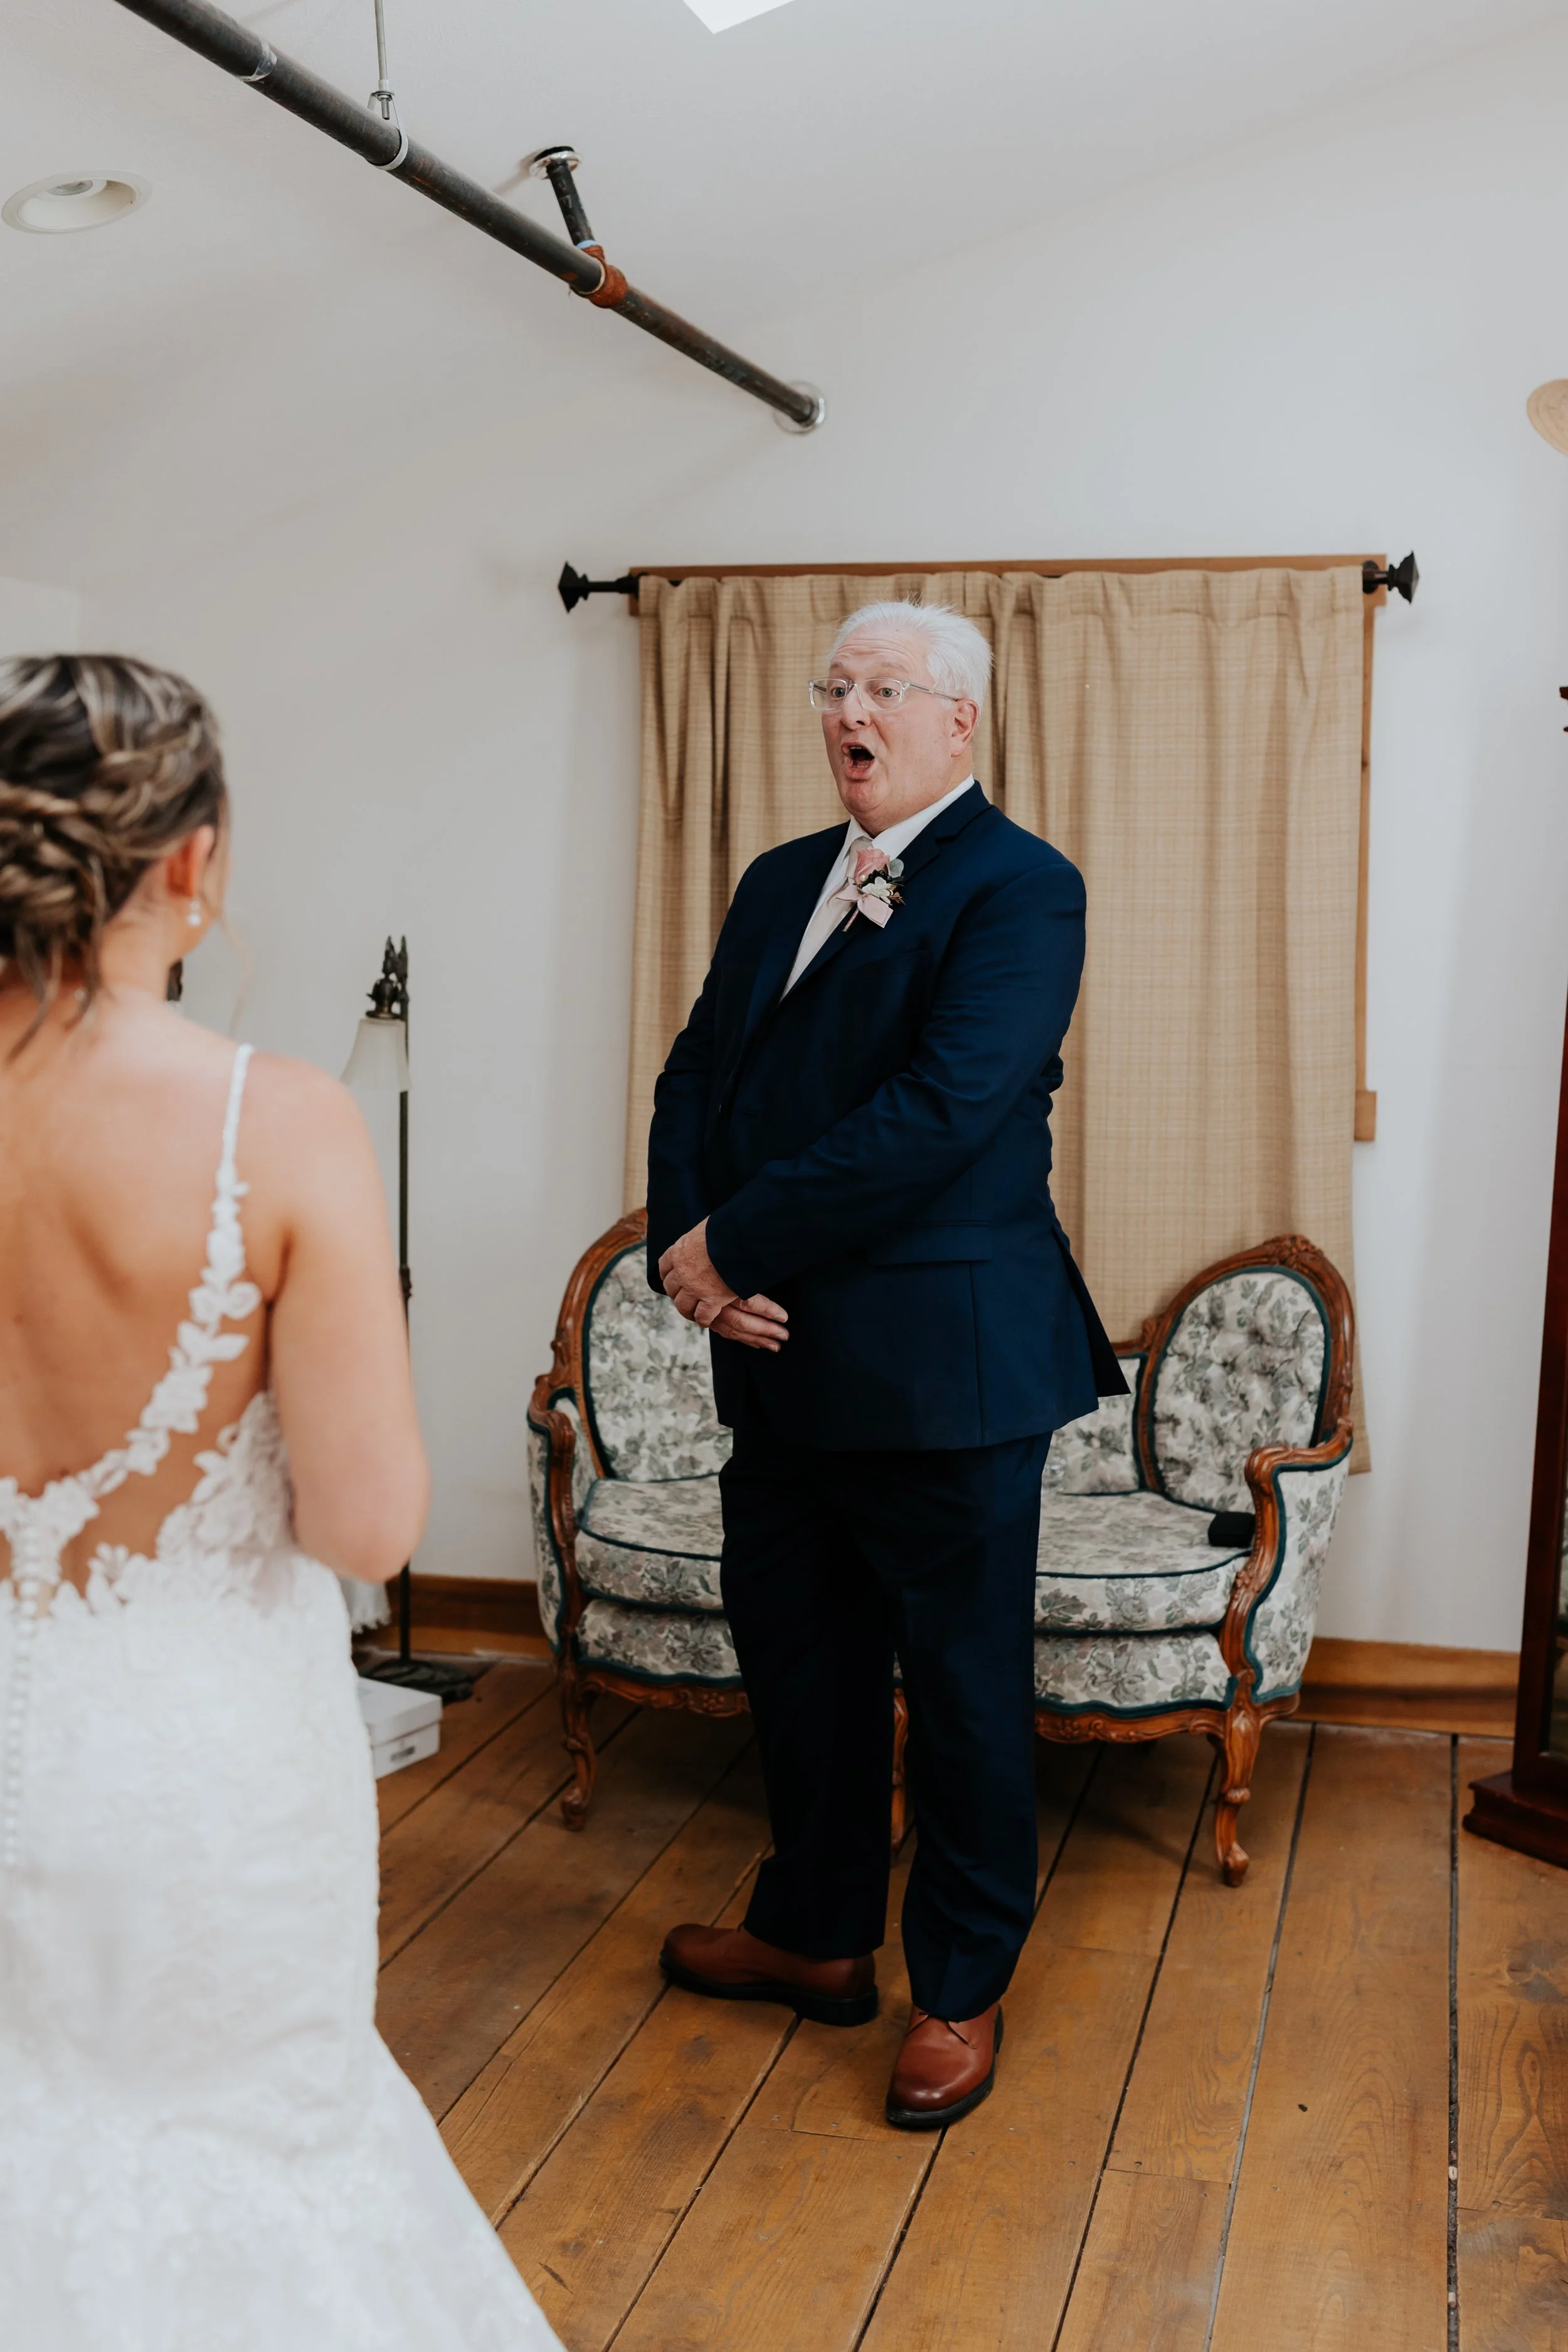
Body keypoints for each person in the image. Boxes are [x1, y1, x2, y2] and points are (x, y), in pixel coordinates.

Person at [0, 655, 561, 2351]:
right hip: (195, 1764)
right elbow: (369, 1524)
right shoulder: (279, 1123)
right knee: (239, 2162)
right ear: (194, 863)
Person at [647, 601, 1124, 2129]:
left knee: (968, 1694)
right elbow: (696, 1072)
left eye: (884, 689)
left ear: (959, 722)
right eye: (833, 684)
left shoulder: (1020, 889)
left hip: (942, 1371)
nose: (848, 709)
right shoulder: (779, 877)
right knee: (800, 1667)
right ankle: (811, 1931)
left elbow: (939, 1111)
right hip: (774, 1355)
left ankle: (961, 1985)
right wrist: (684, 1249)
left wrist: (739, 1243)